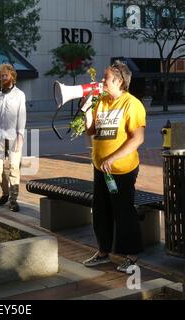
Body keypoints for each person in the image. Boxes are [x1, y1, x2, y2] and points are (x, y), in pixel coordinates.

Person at [82, 60, 146, 273]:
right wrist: (87, 109)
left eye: (106, 78)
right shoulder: (102, 101)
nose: (102, 81)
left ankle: (132, 255)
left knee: (123, 211)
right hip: (101, 169)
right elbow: (91, 131)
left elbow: (137, 139)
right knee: (100, 211)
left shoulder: (132, 104)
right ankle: (103, 252)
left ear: (118, 81)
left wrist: (113, 158)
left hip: (121, 171)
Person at [0, 63, 26, 212]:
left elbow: (22, 116)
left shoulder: (19, 94)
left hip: (14, 136)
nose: (3, 77)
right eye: (1, 75)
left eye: (6, 74)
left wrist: (20, 136)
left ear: (12, 76)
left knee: (14, 168)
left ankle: (13, 200)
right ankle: (5, 193)